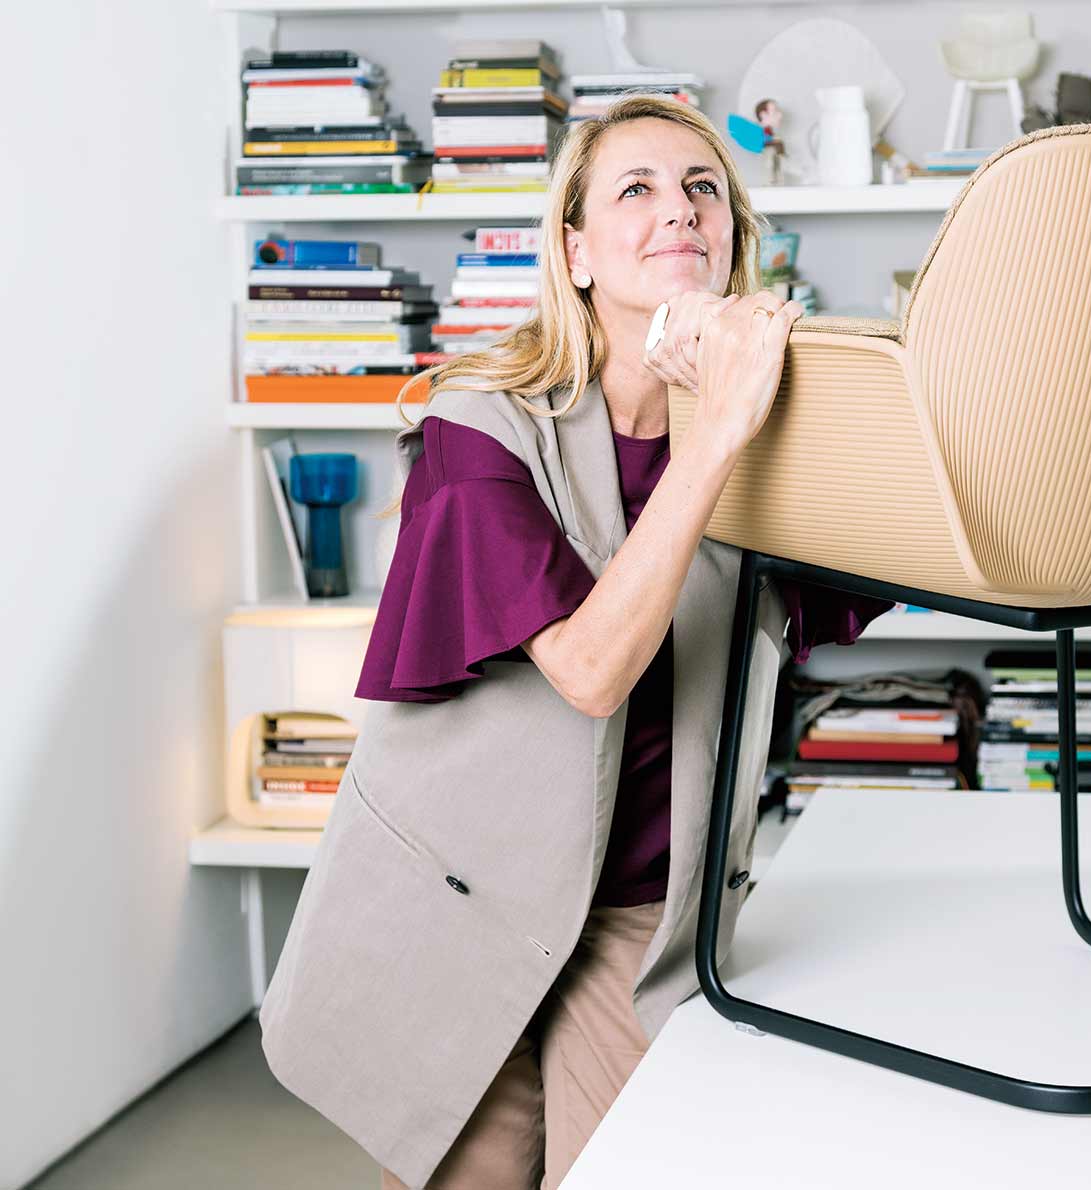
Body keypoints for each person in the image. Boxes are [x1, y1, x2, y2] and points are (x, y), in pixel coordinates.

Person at [257, 92, 892, 1190]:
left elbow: (906, 542)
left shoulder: (776, 445)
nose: (679, 210)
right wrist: (715, 436)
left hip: (643, 913)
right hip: (464, 900)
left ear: (732, 237)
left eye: (703, 189)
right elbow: (591, 671)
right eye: (637, 188)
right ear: (576, 251)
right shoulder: (477, 426)